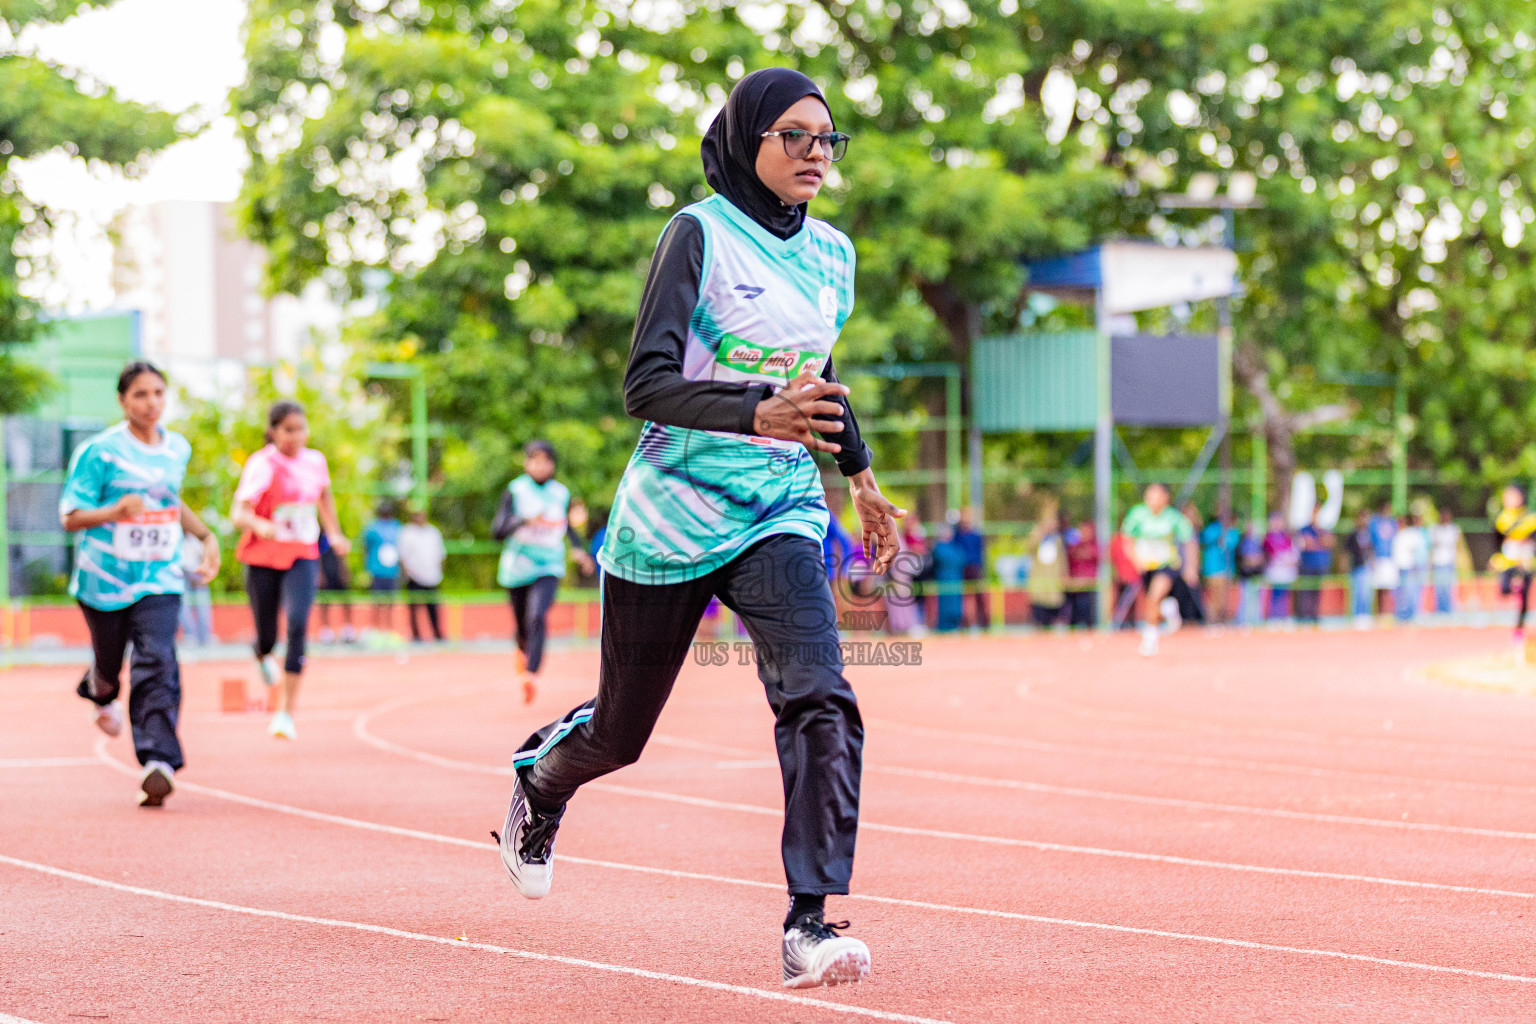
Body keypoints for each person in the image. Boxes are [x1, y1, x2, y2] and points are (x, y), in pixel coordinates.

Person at [494, 69, 902, 990]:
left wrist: (861, 478)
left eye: (826, 140)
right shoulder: (700, 234)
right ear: (748, 139)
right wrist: (758, 410)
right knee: (622, 734)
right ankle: (542, 783)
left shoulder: (834, 255)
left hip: (779, 509)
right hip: (670, 512)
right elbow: (646, 385)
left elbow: (819, 374)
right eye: (793, 136)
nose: (813, 155)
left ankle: (811, 922)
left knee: (820, 692)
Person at [60, 362, 220, 806]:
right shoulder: (99, 452)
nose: (151, 404)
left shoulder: (176, 449)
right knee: (110, 667)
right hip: (104, 582)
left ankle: (158, 761)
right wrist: (114, 512)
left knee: (157, 659)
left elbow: (170, 500)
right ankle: (98, 686)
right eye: (140, 395)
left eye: (158, 394)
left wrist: (205, 535)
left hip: (160, 575)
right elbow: (70, 516)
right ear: (122, 400)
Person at [231, 400, 350, 741]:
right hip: (263, 556)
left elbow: (324, 497)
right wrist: (259, 524)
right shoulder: (262, 464)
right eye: (288, 430)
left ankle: (285, 713)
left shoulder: (315, 461)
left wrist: (334, 532)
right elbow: (237, 513)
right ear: (273, 431)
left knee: (298, 623)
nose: (296, 436)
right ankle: (263, 652)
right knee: (267, 634)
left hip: (302, 552)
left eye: (301, 428)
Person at [492, 440, 597, 704]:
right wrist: (523, 521)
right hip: (517, 568)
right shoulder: (515, 491)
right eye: (534, 460)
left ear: (552, 464)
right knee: (522, 624)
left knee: (538, 614)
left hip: (549, 565)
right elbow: (497, 531)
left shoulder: (560, 493)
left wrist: (577, 550)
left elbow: (568, 527)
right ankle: (522, 651)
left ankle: (531, 675)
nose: (540, 466)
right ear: (526, 463)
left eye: (545, 461)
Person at [1121, 482, 1195, 656]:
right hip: (1146, 568)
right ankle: (1168, 610)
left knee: (1153, 597)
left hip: (1167, 565)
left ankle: (1149, 640)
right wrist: (1135, 560)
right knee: (1152, 603)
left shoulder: (1173, 518)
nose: (1152, 499)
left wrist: (1191, 567)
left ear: (1165, 498)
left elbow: (1189, 540)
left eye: (1156, 495)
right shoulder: (1137, 515)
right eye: (1149, 495)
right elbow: (1126, 538)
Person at [1490, 485, 1536, 638]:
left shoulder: (1530, 519)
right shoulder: (1502, 520)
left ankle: (1519, 628)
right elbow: (1497, 544)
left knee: (1524, 598)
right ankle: (1514, 587)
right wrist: (1495, 560)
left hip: (1526, 562)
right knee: (1504, 588)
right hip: (1508, 562)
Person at [399, 508, 447, 642]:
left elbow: (441, 554)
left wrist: (440, 572)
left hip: (432, 576)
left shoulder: (433, 532)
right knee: (414, 608)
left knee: (433, 607)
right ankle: (416, 636)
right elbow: (403, 556)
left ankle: (437, 634)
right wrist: (406, 574)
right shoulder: (407, 532)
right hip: (414, 576)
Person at [362, 501, 402, 633]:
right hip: (377, 570)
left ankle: (389, 629)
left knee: (390, 603)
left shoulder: (397, 527)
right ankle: (376, 629)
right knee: (377, 602)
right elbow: (366, 548)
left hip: (392, 571)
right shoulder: (372, 528)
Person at [1024, 504, 1065, 627]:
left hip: (1053, 585)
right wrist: (1041, 533)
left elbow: (1062, 560)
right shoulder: (1036, 534)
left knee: (1053, 618)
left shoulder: (1057, 538)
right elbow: (1030, 548)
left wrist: (1063, 574)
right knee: (1039, 618)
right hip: (1039, 584)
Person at [1198, 510, 1239, 624]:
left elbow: (1229, 544)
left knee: (1224, 596)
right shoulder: (1213, 528)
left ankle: (1222, 618)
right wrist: (1218, 533)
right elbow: (1203, 538)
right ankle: (1212, 619)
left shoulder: (1233, 532)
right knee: (1213, 595)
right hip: (1212, 568)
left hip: (1226, 568)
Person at [316, 531, 357, 644]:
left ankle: (348, 629)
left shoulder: (339, 534)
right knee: (325, 603)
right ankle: (326, 630)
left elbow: (343, 554)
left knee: (346, 602)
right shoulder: (318, 536)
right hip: (326, 571)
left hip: (338, 572)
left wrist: (345, 570)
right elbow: (316, 555)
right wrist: (319, 573)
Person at [1294, 510, 1334, 623]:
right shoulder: (1304, 530)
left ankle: (1314, 616)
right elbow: (1306, 544)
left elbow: (1328, 543)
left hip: (1321, 565)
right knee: (1305, 591)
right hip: (1307, 565)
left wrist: (1316, 541)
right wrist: (1319, 542)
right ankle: (1302, 617)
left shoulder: (1324, 530)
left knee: (1317, 592)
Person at [177, 532, 214, 645]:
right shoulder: (179, 537)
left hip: (196, 572)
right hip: (183, 573)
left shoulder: (195, 538)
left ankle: (204, 635)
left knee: (201, 603)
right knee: (184, 605)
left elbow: (203, 556)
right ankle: (191, 634)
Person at [954, 507, 989, 630]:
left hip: (974, 568)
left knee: (979, 596)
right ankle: (965, 624)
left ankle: (984, 623)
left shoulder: (976, 535)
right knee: (962, 597)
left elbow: (981, 553)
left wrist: (981, 568)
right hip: (962, 568)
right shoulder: (957, 534)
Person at [1392, 512, 1428, 623]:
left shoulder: (1410, 534)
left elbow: (1416, 551)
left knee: (1410, 592)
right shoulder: (1396, 534)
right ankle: (1401, 615)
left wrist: (1415, 565)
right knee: (1400, 592)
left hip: (1408, 567)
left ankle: (1412, 614)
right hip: (1398, 567)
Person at [1064, 520, 1099, 629]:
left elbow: (1094, 557)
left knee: (1087, 609)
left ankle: (1090, 628)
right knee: (1073, 610)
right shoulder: (1074, 545)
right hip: (1074, 584)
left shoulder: (1094, 545)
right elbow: (1069, 560)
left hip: (1088, 584)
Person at [1262, 512, 1298, 621]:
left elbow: (1293, 553)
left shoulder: (1287, 537)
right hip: (1275, 571)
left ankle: (1284, 616)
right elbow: (1270, 554)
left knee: (1285, 595)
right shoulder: (1268, 538)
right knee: (1275, 594)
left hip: (1286, 572)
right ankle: (1274, 617)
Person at [1368, 502, 1400, 616]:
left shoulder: (1393, 522)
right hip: (1378, 558)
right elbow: (1371, 542)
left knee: (1390, 588)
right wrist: (1372, 558)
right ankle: (1379, 614)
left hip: (1390, 559)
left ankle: (1389, 613)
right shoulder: (1374, 522)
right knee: (1379, 588)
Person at [1429, 509, 1461, 616]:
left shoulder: (1453, 529)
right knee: (1439, 588)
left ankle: (1448, 611)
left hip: (1449, 562)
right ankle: (1439, 610)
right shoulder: (1435, 529)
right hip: (1438, 563)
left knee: (1448, 588)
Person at [1344, 510, 1373, 625]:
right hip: (1356, 566)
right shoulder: (1353, 534)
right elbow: (1346, 551)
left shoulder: (1370, 533)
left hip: (1367, 568)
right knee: (1357, 593)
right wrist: (1345, 565)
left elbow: (1372, 550)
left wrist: (1373, 563)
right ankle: (1356, 616)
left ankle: (1365, 615)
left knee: (1366, 593)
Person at [1234, 522, 1266, 626]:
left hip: (1256, 574)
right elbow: (1241, 558)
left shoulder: (1258, 542)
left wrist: (1256, 561)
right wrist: (1249, 561)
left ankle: (1256, 620)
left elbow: (1262, 557)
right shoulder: (1242, 542)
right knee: (1245, 598)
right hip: (1246, 575)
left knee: (1257, 600)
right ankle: (1243, 620)